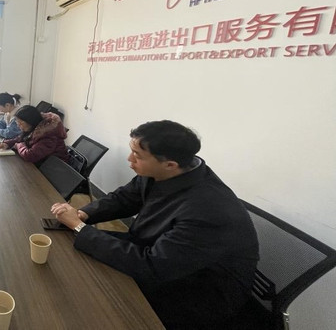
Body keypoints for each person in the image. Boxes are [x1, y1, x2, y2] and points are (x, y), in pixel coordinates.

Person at [50, 120, 259, 329]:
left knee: (92, 298)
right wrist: (82, 214)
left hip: (197, 293)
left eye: (137, 155)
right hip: (158, 254)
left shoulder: (208, 211)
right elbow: (124, 198)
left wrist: (79, 227)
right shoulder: (166, 171)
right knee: (69, 250)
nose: (129, 159)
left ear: (170, 164)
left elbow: (152, 266)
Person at [0, 105, 68, 165]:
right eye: (17, 123)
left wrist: (18, 145)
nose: (18, 126)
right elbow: (20, 138)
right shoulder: (35, 127)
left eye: (21, 123)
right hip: (42, 163)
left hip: (54, 169)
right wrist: (7, 143)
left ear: (31, 121)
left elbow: (30, 156)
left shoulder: (48, 135)